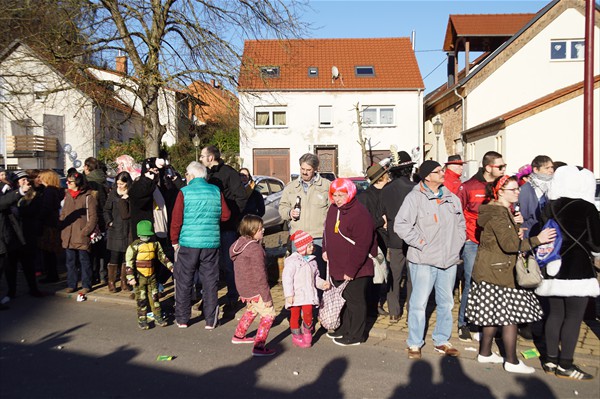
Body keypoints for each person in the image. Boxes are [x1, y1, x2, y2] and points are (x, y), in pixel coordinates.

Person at [466, 175, 556, 374]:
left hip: (491, 269)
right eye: (513, 190)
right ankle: (512, 361)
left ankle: (485, 353)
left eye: (518, 189)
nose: (518, 192)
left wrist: (517, 226)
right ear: (500, 192)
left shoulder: (500, 211)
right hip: (499, 270)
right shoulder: (498, 214)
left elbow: (502, 238)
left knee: (492, 315)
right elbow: (510, 245)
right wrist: (537, 239)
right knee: (510, 317)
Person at [395, 160, 465, 359]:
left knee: (446, 303)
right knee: (419, 303)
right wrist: (421, 243)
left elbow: (461, 224)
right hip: (423, 260)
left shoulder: (451, 197)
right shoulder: (414, 198)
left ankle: (441, 340)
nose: (443, 173)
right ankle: (414, 343)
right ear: (427, 176)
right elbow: (401, 225)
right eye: (438, 171)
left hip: (448, 260)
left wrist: (457, 243)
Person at [536, 165, 600, 380]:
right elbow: (596, 243)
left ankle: (550, 359)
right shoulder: (587, 208)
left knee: (555, 314)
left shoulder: (550, 205)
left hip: (553, 265)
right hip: (578, 269)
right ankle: (566, 364)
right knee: (574, 318)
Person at [170, 162, 230, 329]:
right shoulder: (216, 191)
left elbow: (176, 220)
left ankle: (182, 318)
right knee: (210, 281)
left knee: (184, 280)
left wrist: (174, 241)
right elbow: (226, 215)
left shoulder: (184, 192)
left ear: (192, 175)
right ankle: (211, 320)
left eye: (187, 175)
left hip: (189, 243)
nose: (186, 178)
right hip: (211, 242)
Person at [456, 151, 505, 342]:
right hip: (473, 242)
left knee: (494, 284)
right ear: (488, 167)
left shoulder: (503, 186)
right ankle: (464, 323)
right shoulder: (469, 187)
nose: (503, 170)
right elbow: (457, 213)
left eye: (504, 166)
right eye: (499, 166)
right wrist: (465, 238)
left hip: (496, 243)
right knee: (471, 282)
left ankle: (489, 322)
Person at [323, 178, 377, 347]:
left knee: (355, 301)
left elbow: (362, 244)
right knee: (344, 299)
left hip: (357, 267)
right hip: (337, 264)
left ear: (350, 193)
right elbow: (327, 232)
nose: (337, 199)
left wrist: (351, 269)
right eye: (335, 195)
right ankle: (345, 328)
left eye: (341, 195)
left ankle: (356, 334)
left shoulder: (360, 213)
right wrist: (325, 249)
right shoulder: (333, 209)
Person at [201, 145, 247, 310]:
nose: (200, 159)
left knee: (228, 264)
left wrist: (231, 219)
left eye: (202, 156)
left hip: (227, 227)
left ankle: (233, 296)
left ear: (211, 157)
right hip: (210, 227)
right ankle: (209, 298)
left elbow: (241, 198)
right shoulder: (206, 175)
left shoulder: (229, 173)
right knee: (209, 264)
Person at [229, 215, 277, 356]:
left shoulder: (238, 244)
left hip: (243, 287)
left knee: (252, 309)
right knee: (269, 314)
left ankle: (239, 335)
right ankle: (259, 346)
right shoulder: (255, 249)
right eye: (260, 229)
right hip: (256, 289)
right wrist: (267, 297)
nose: (263, 230)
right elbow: (260, 276)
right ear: (251, 230)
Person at [279, 153, 331, 280]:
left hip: (318, 237)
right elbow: (282, 207)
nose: (305, 173)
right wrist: (289, 212)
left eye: (308, 170)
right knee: (300, 275)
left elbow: (333, 210)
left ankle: (319, 298)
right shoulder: (291, 187)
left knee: (319, 273)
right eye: (302, 169)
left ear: (315, 169)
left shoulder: (326, 186)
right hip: (298, 237)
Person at [381, 151, 417, 323]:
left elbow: (381, 214)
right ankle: (412, 311)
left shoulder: (386, 190)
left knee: (394, 275)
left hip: (394, 237)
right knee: (413, 277)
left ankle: (394, 311)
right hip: (413, 237)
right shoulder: (415, 188)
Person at [283, 230, 330, 348]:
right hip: (295, 295)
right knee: (294, 316)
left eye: (312, 244)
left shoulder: (313, 261)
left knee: (308, 314)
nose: (312, 247)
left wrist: (322, 284)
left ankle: (307, 330)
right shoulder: (292, 262)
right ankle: (296, 335)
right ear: (302, 247)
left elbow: (315, 278)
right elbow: (287, 278)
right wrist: (289, 294)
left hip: (308, 295)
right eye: (309, 245)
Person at [125, 220, 173, 329]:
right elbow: (129, 263)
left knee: (154, 297)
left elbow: (162, 256)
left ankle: (158, 317)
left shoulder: (155, 244)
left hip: (152, 276)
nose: (146, 237)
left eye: (148, 235)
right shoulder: (134, 246)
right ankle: (142, 320)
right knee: (141, 299)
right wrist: (130, 277)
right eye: (144, 235)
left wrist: (170, 266)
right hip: (140, 277)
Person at [358, 163, 390, 318]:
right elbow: (364, 222)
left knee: (381, 272)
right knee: (370, 273)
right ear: (381, 177)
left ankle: (376, 304)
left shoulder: (387, 192)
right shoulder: (365, 196)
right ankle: (368, 305)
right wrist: (381, 221)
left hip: (384, 238)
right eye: (386, 174)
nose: (389, 176)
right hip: (371, 239)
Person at [60, 171, 98, 294]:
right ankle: (72, 284)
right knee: (70, 262)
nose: (67, 183)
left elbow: (93, 217)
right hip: (68, 234)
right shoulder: (67, 195)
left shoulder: (88, 197)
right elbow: (64, 213)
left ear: (76, 183)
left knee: (84, 261)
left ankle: (86, 284)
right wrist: (61, 225)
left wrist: (86, 231)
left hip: (81, 234)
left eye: (69, 181)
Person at [104, 171, 132, 292]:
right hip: (115, 228)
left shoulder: (131, 193)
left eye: (122, 183)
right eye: (118, 183)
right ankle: (111, 282)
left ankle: (124, 281)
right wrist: (110, 222)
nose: (119, 186)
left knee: (127, 257)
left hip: (128, 229)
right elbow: (106, 210)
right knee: (114, 256)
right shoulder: (113, 194)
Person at [83, 157, 109, 285]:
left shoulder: (88, 182)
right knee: (102, 249)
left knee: (92, 249)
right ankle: (103, 275)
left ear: (87, 167)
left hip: (93, 218)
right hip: (103, 219)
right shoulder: (104, 179)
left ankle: (94, 276)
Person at [37, 170, 64, 283]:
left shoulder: (48, 191)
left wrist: (39, 217)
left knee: (48, 252)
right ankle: (52, 274)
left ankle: (51, 275)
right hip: (53, 222)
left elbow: (46, 208)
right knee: (51, 252)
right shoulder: (56, 190)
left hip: (48, 224)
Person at [519, 155, 554, 238]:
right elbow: (523, 216)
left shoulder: (554, 187)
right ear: (535, 169)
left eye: (552, 167)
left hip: (549, 234)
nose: (551, 170)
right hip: (531, 235)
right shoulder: (525, 190)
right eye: (547, 168)